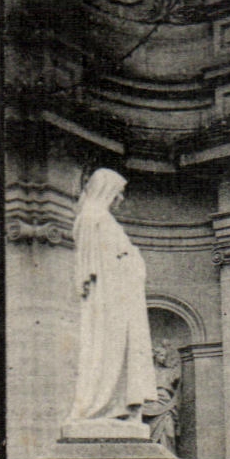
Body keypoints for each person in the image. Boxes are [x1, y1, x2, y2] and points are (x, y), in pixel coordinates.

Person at [68, 168, 156, 423]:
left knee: (120, 353)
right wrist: (130, 260)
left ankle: (117, 406)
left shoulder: (102, 219)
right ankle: (102, 406)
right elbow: (95, 267)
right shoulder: (94, 217)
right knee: (108, 352)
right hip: (109, 300)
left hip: (121, 299)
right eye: (119, 193)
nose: (121, 199)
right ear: (106, 191)